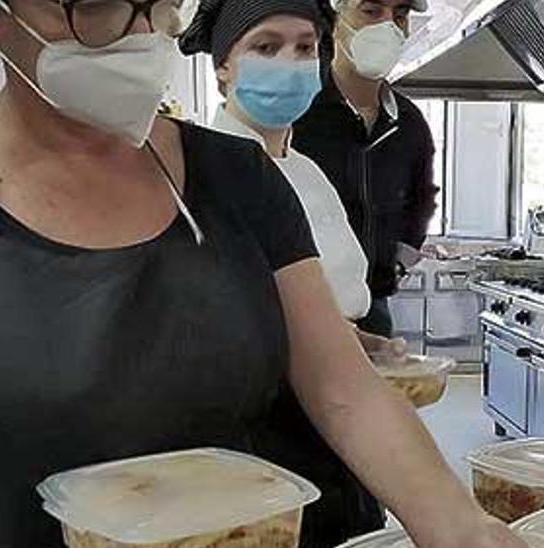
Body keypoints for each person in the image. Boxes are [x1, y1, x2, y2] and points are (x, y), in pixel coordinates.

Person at [0, 0, 528, 545]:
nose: (143, 34)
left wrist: (457, 526)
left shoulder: (241, 183)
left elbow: (342, 389)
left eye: (158, 5)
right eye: (96, 4)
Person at [179, 1, 391, 545]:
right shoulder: (196, 175)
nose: (291, 63)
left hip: (342, 435)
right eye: (266, 47)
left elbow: (327, 299)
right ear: (223, 65)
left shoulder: (306, 170)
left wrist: (362, 343)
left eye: (305, 47)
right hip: (259, 443)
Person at [292, 0, 438, 338]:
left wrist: (396, 260)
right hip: (300, 310)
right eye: (371, 11)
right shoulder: (297, 107)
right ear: (333, 21)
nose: (388, 26)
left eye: (399, 15)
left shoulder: (409, 121)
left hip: (374, 305)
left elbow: (423, 197)